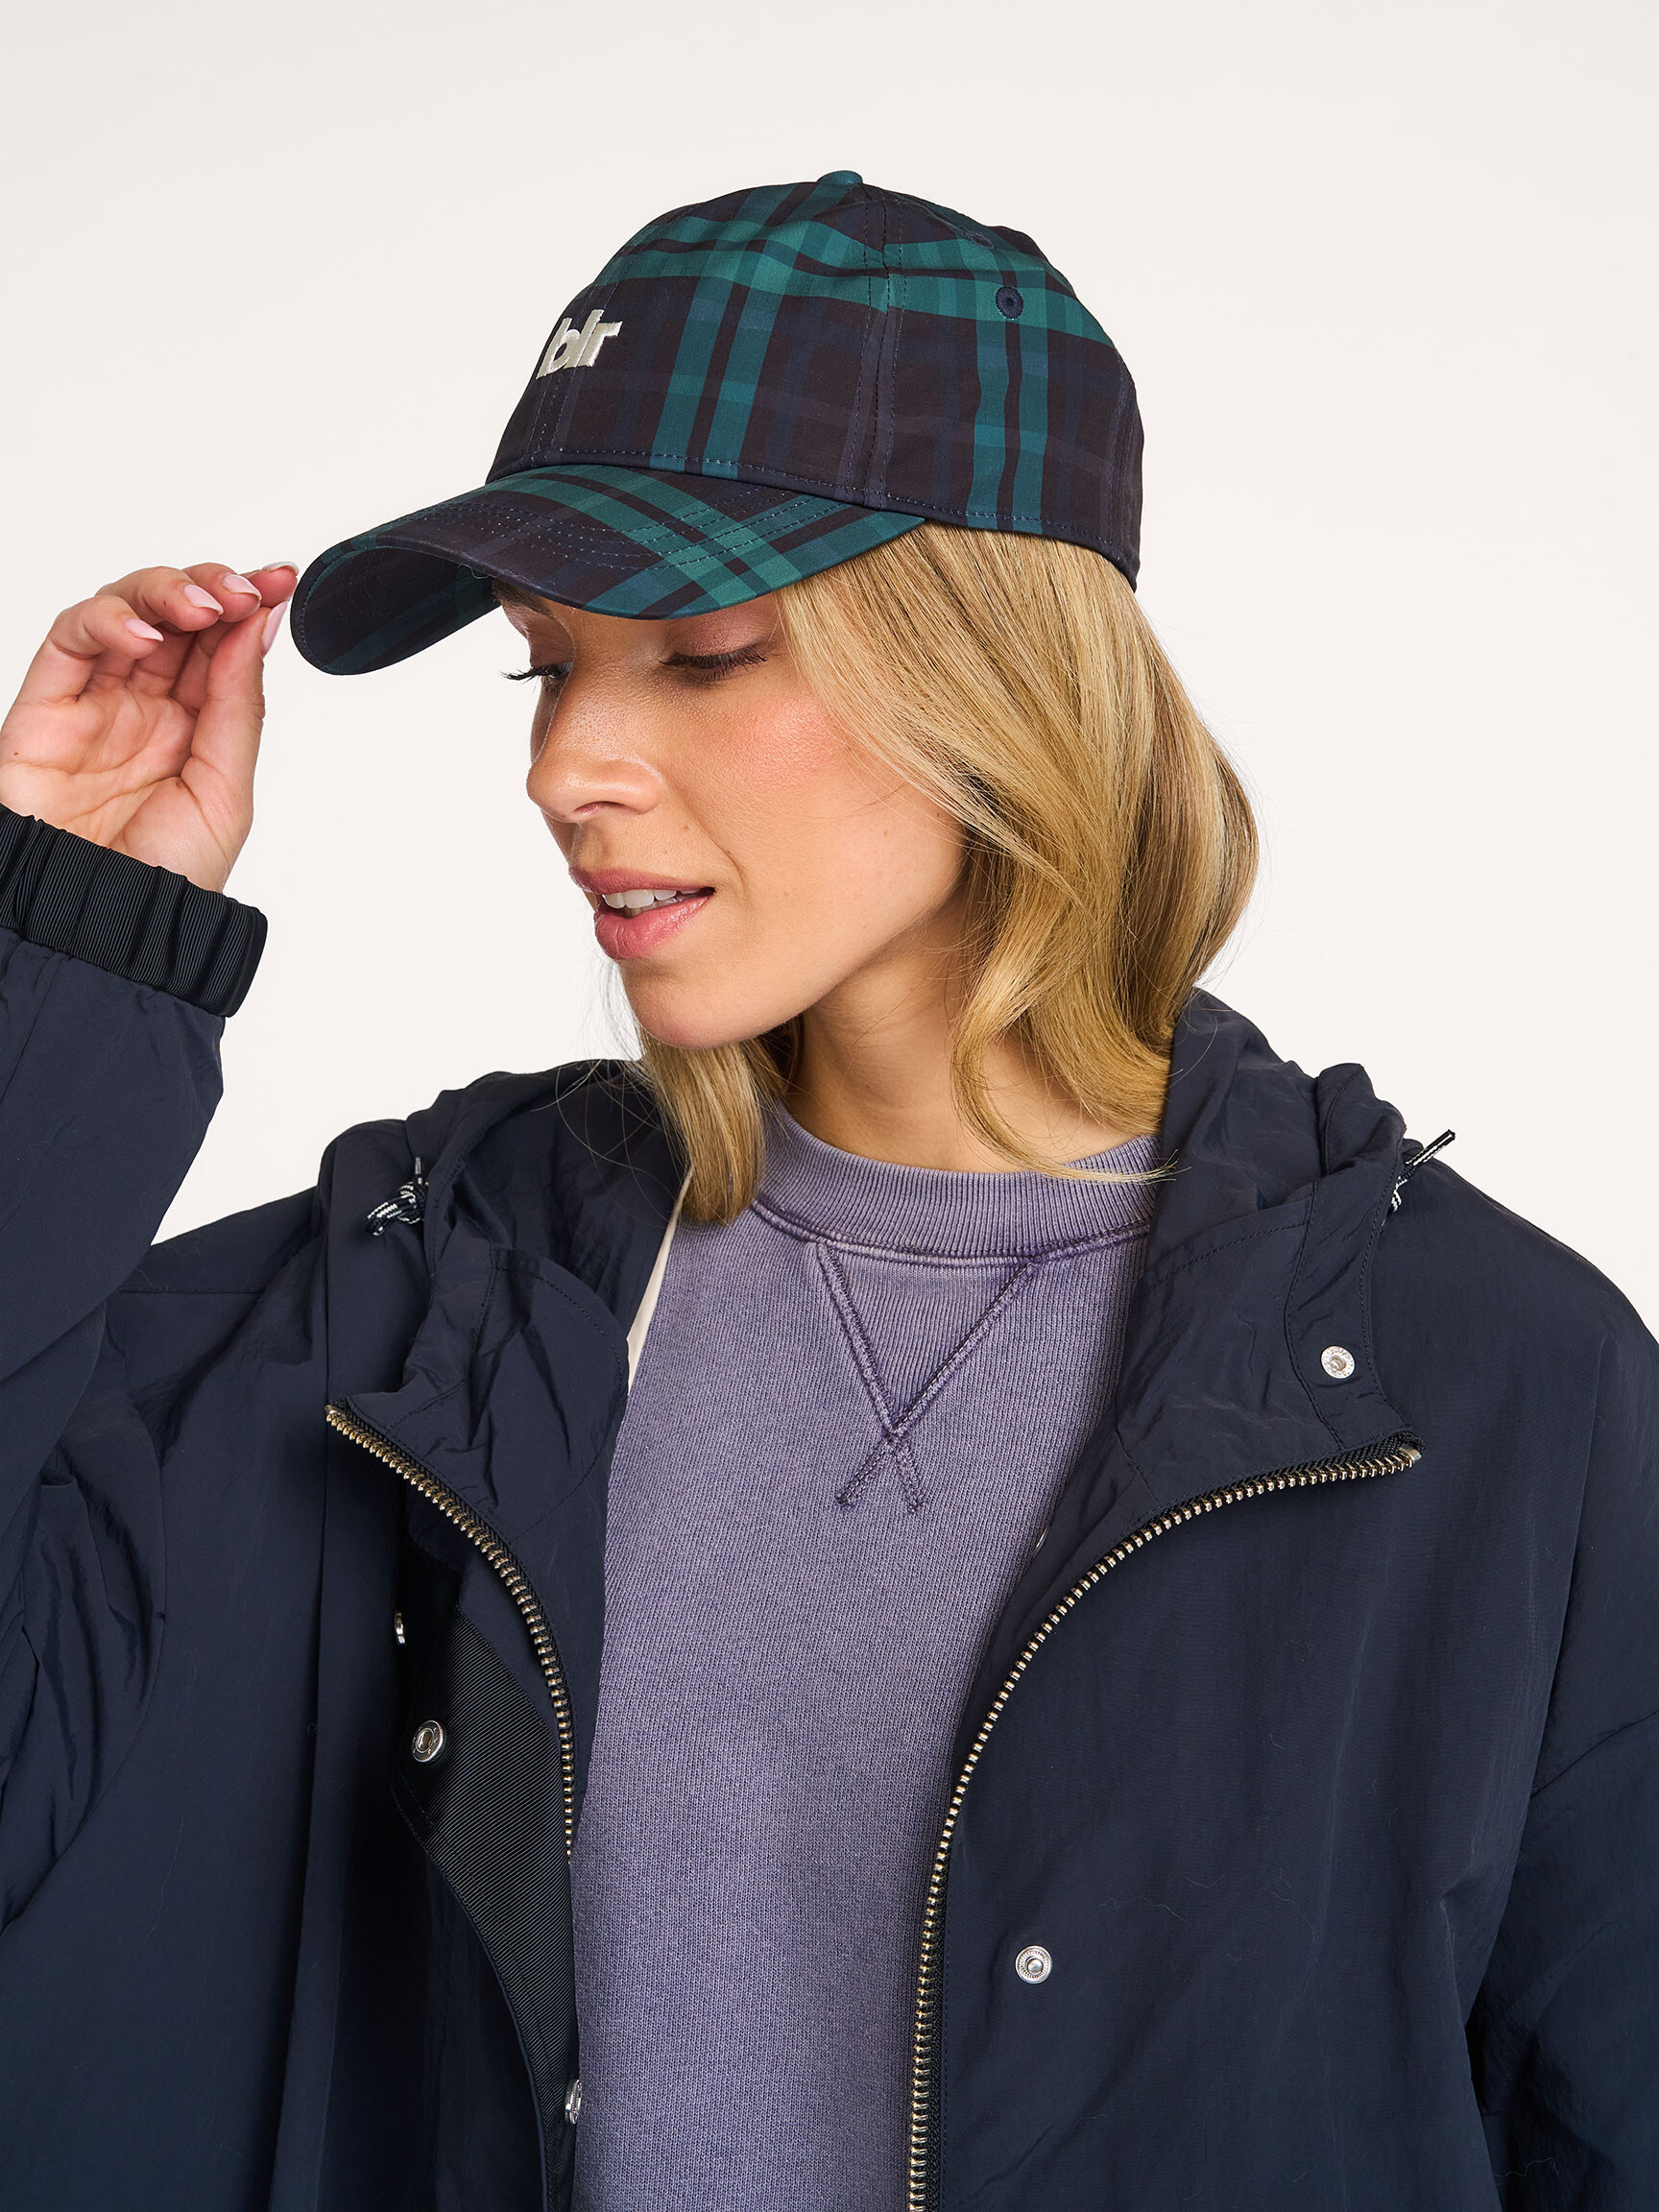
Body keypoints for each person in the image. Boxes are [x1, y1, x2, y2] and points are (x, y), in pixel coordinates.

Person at [0, 168, 1652, 2212]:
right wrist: (73, 952)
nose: (567, 768)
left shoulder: (1484, 1386)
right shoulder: (423, 1301)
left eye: (700, 655)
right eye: (545, 669)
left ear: (994, 675)